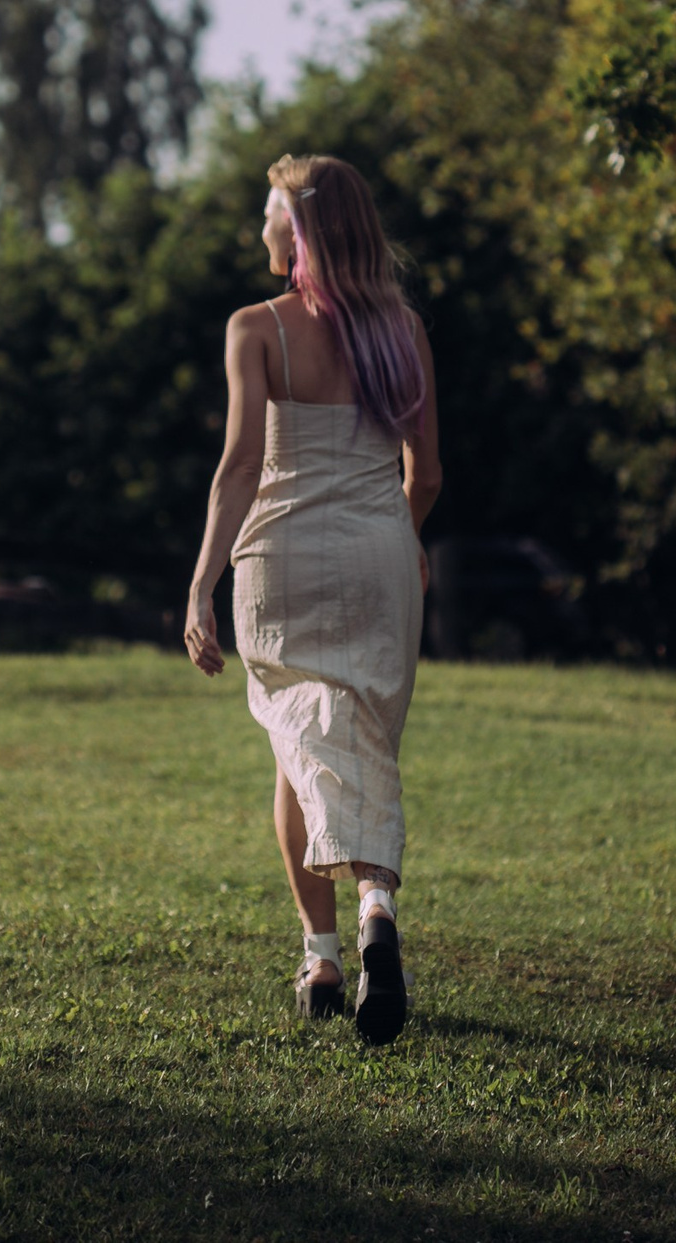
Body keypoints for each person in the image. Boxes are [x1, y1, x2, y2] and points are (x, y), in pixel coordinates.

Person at [186, 154, 441, 1047]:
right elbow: (428, 473)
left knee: (300, 749)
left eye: (268, 213)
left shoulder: (256, 327)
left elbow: (239, 467)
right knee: (359, 741)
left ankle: (324, 953)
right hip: (378, 557)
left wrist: (203, 581)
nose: (260, 227)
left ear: (297, 231)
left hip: (281, 558)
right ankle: (376, 908)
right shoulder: (402, 329)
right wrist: (395, 536)